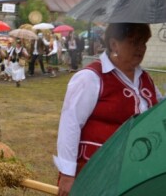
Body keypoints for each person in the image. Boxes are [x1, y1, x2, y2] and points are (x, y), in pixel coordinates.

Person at [54, 23, 163, 196]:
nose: (141, 48)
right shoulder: (90, 77)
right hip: (94, 171)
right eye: (134, 42)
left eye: (144, 43)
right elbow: (70, 124)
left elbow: (158, 111)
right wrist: (67, 174)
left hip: (131, 171)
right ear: (114, 44)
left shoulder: (145, 78)